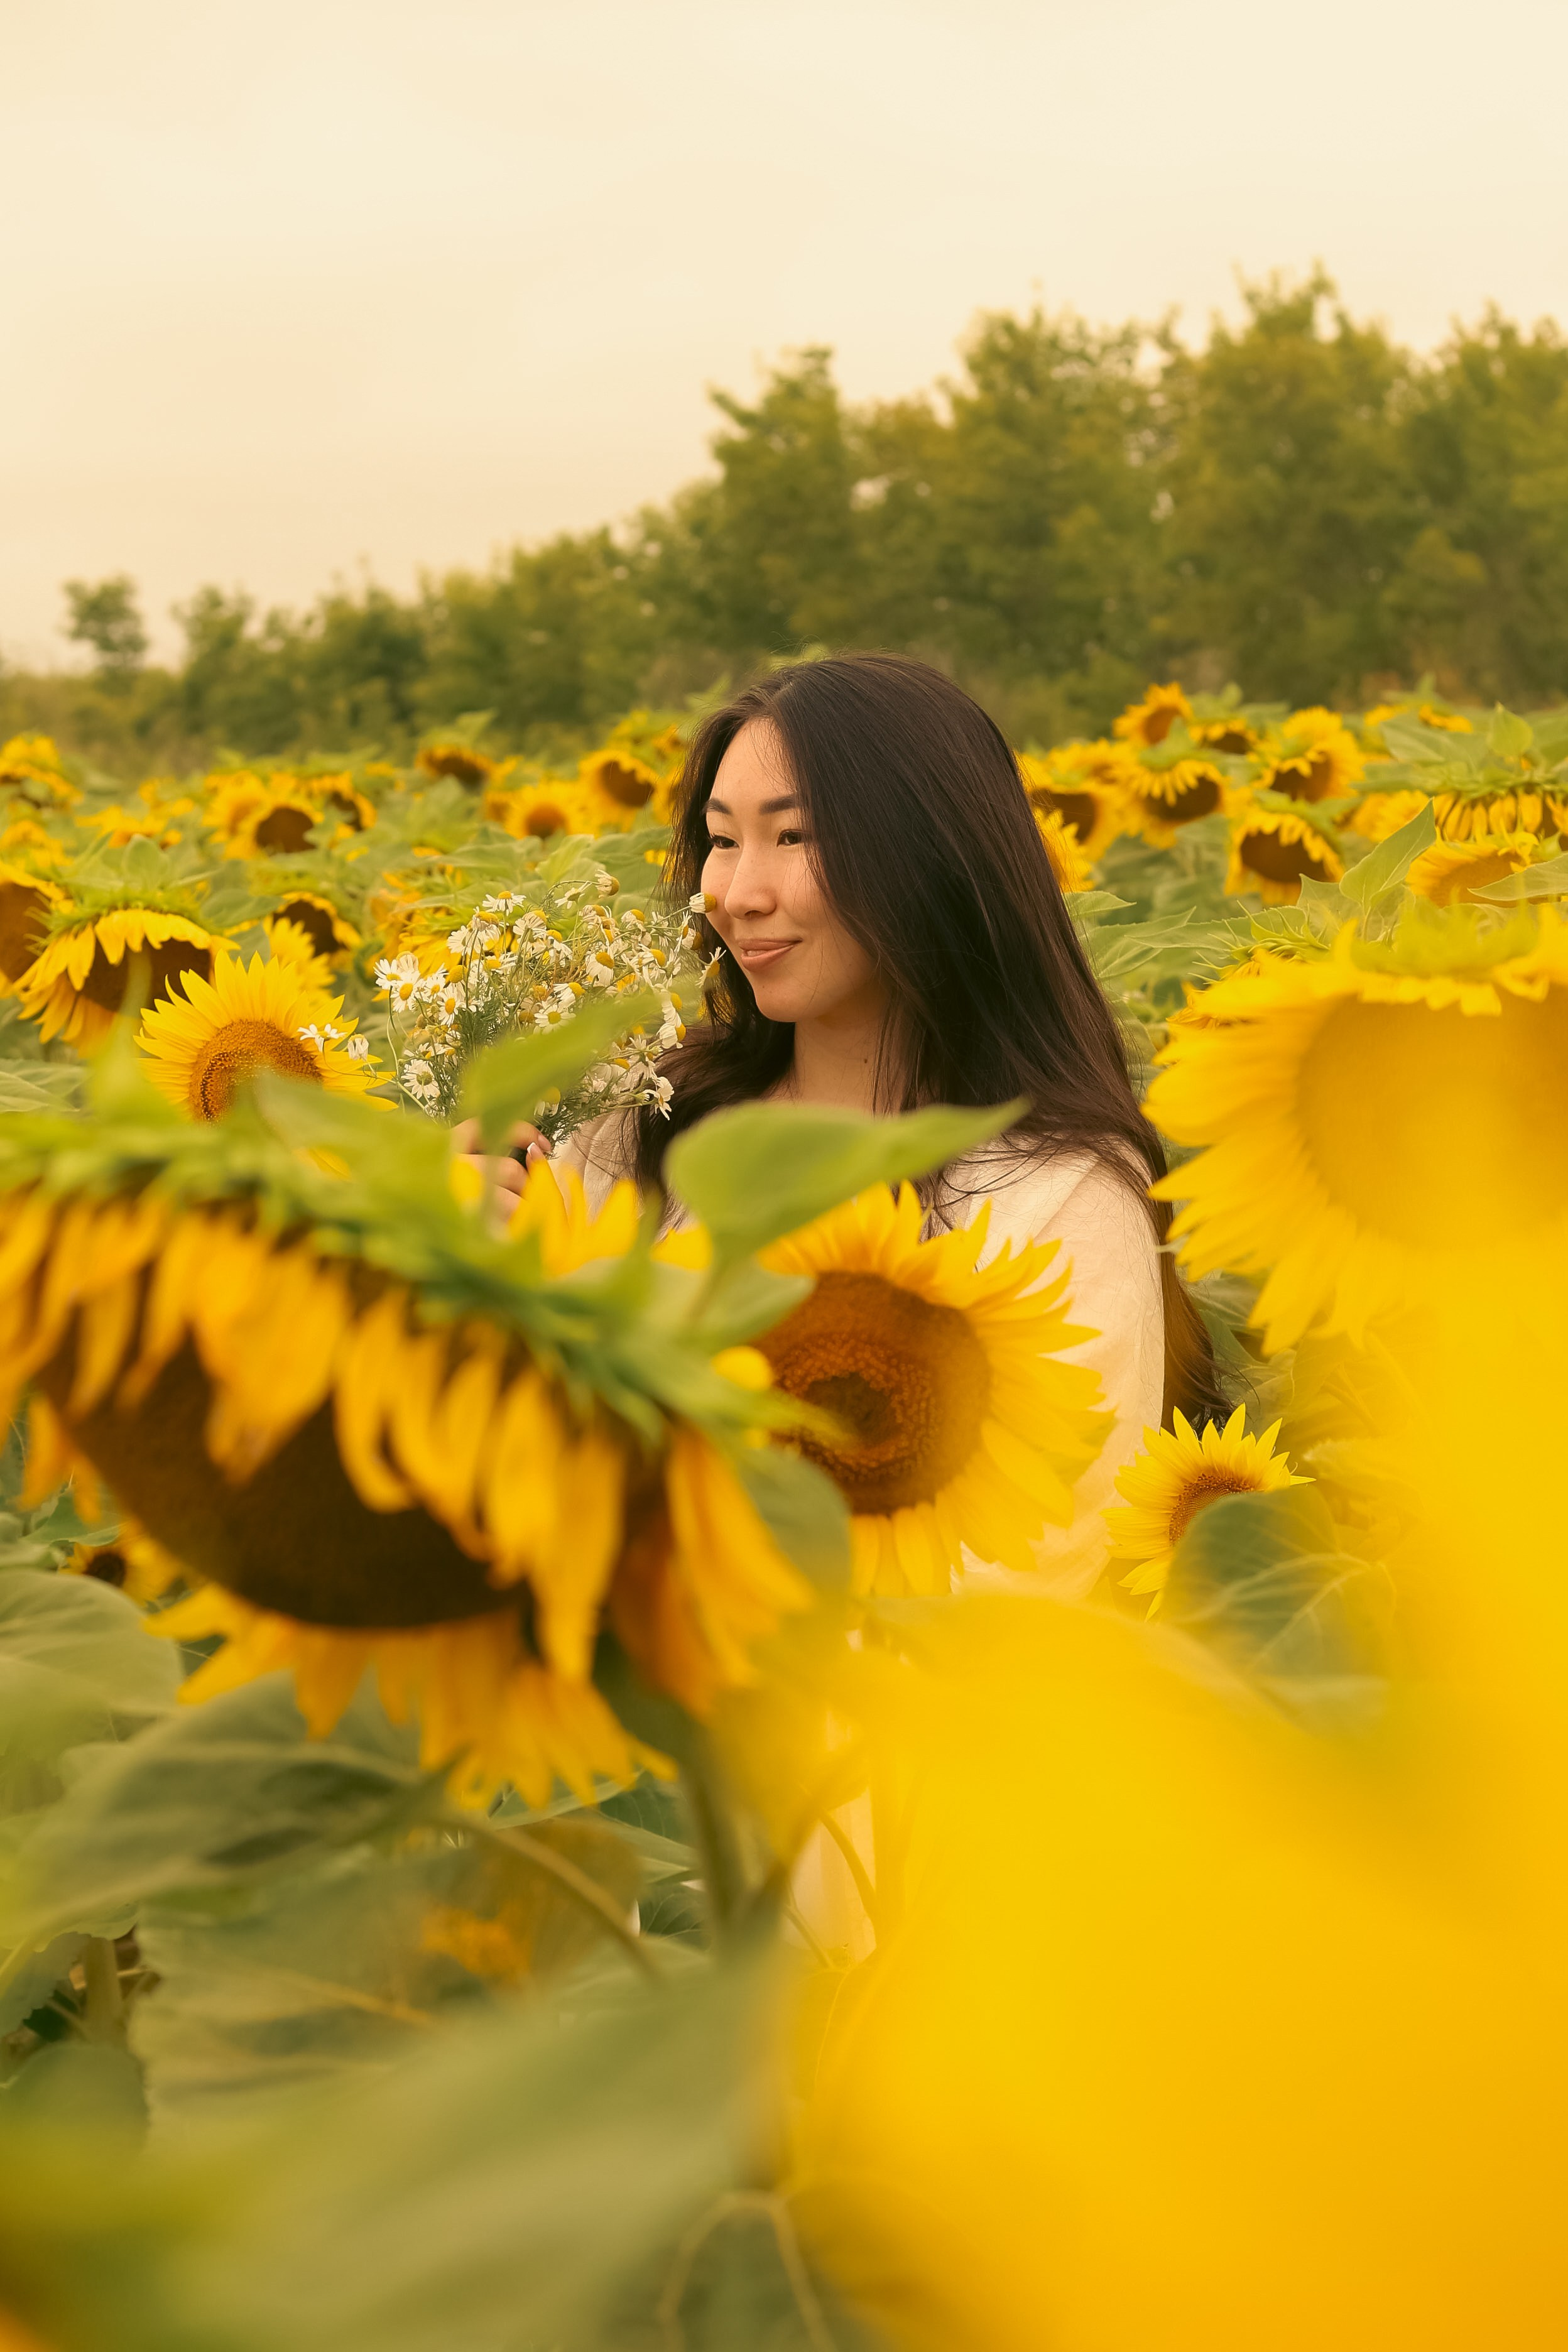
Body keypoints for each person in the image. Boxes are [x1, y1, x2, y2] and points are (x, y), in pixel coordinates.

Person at [456, 652, 1226, 1591]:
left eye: (794, 838)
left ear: (928, 852)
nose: (739, 893)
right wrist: (475, 1267)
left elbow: (1037, 1580)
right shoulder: (640, 1134)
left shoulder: (1054, 1196)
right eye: (722, 840)